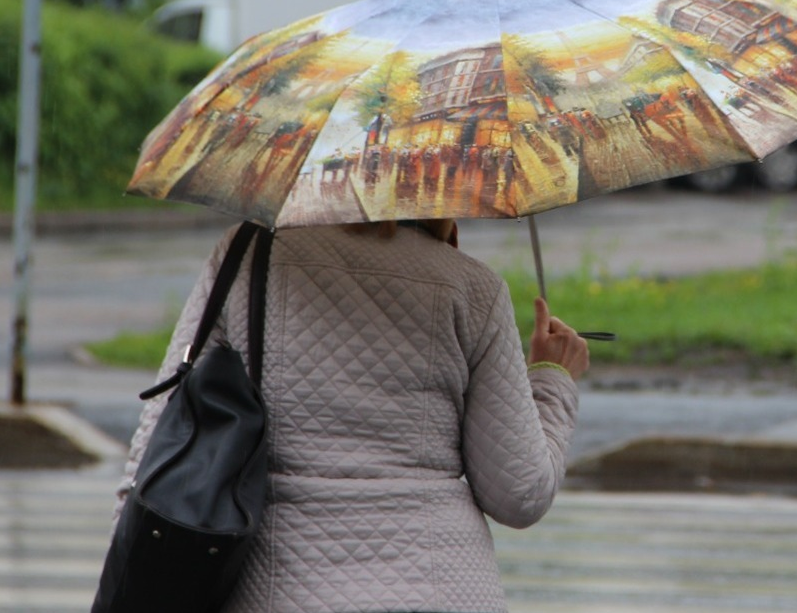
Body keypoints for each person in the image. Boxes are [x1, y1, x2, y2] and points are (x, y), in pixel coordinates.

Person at [113, 219, 590, 613]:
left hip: (281, 590)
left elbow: (156, 444)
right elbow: (518, 494)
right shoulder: (474, 289)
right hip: (445, 589)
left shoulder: (249, 256)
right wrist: (551, 379)